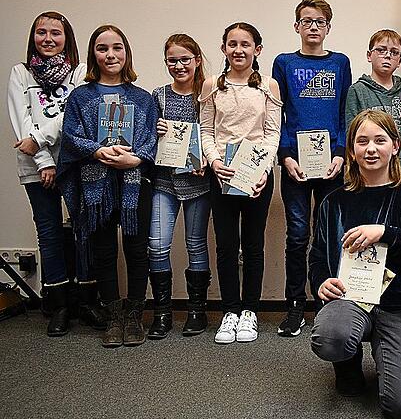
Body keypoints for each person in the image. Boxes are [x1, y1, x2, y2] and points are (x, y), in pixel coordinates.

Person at [309, 110, 401, 418]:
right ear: (351, 149)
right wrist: (322, 282)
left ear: (395, 146)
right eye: (362, 141)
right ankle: (347, 365)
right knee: (331, 338)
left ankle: (388, 349)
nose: (371, 149)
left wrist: (386, 233)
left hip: (399, 305)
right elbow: (318, 256)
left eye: (380, 140)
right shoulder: (333, 201)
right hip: (349, 299)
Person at [57, 24, 157, 347]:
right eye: (102, 48)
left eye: (117, 48)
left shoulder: (143, 98)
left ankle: (134, 317)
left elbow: (152, 139)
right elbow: (70, 136)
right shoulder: (80, 97)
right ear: (93, 55)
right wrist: (95, 150)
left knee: (136, 250)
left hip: (133, 184)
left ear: (126, 52)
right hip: (95, 185)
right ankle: (113, 316)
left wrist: (136, 159)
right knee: (104, 251)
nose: (110, 54)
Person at [7, 11, 103, 336]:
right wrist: (44, 159)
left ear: (67, 38)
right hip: (36, 166)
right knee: (48, 232)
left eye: (55, 33)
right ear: (33, 36)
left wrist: (40, 141)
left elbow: (71, 115)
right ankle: (59, 303)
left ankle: (88, 299)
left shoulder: (78, 72)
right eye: (41, 32)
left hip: (74, 161)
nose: (48, 38)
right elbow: (21, 120)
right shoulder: (20, 73)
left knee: (84, 228)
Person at [272, 0, 352, 337]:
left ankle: (327, 301)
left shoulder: (340, 63)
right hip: (295, 164)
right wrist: (285, 156)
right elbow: (277, 114)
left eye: (320, 22)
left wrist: (341, 154)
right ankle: (294, 306)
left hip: (332, 164)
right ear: (296, 26)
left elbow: (344, 113)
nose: (313, 27)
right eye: (307, 21)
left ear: (328, 27)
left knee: (330, 236)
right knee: (297, 236)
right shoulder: (284, 63)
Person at [200, 22, 281, 344]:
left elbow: (273, 132)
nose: (238, 50)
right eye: (232, 44)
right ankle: (229, 311)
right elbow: (206, 129)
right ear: (223, 49)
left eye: (245, 44)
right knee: (225, 246)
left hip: (257, 174)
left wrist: (262, 169)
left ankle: (250, 311)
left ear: (257, 50)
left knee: (253, 245)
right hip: (221, 174)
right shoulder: (211, 85)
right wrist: (214, 161)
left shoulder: (268, 87)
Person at [147, 34, 211, 339]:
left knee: (195, 244)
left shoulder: (207, 94)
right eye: (172, 60)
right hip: (164, 181)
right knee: (157, 244)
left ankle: (197, 311)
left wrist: (207, 161)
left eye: (185, 58)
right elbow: (143, 139)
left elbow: (216, 135)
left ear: (197, 60)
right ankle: (162, 312)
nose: (179, 65)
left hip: (198, 182)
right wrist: (154, 129)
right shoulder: (157, 96)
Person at [345, 29, 401, 178]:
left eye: (394, 52)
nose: (388, 55)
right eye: (381, 50)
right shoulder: (357, 91)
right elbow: (350, 135)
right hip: (368, 170)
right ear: (369, 56)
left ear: (400, 61)